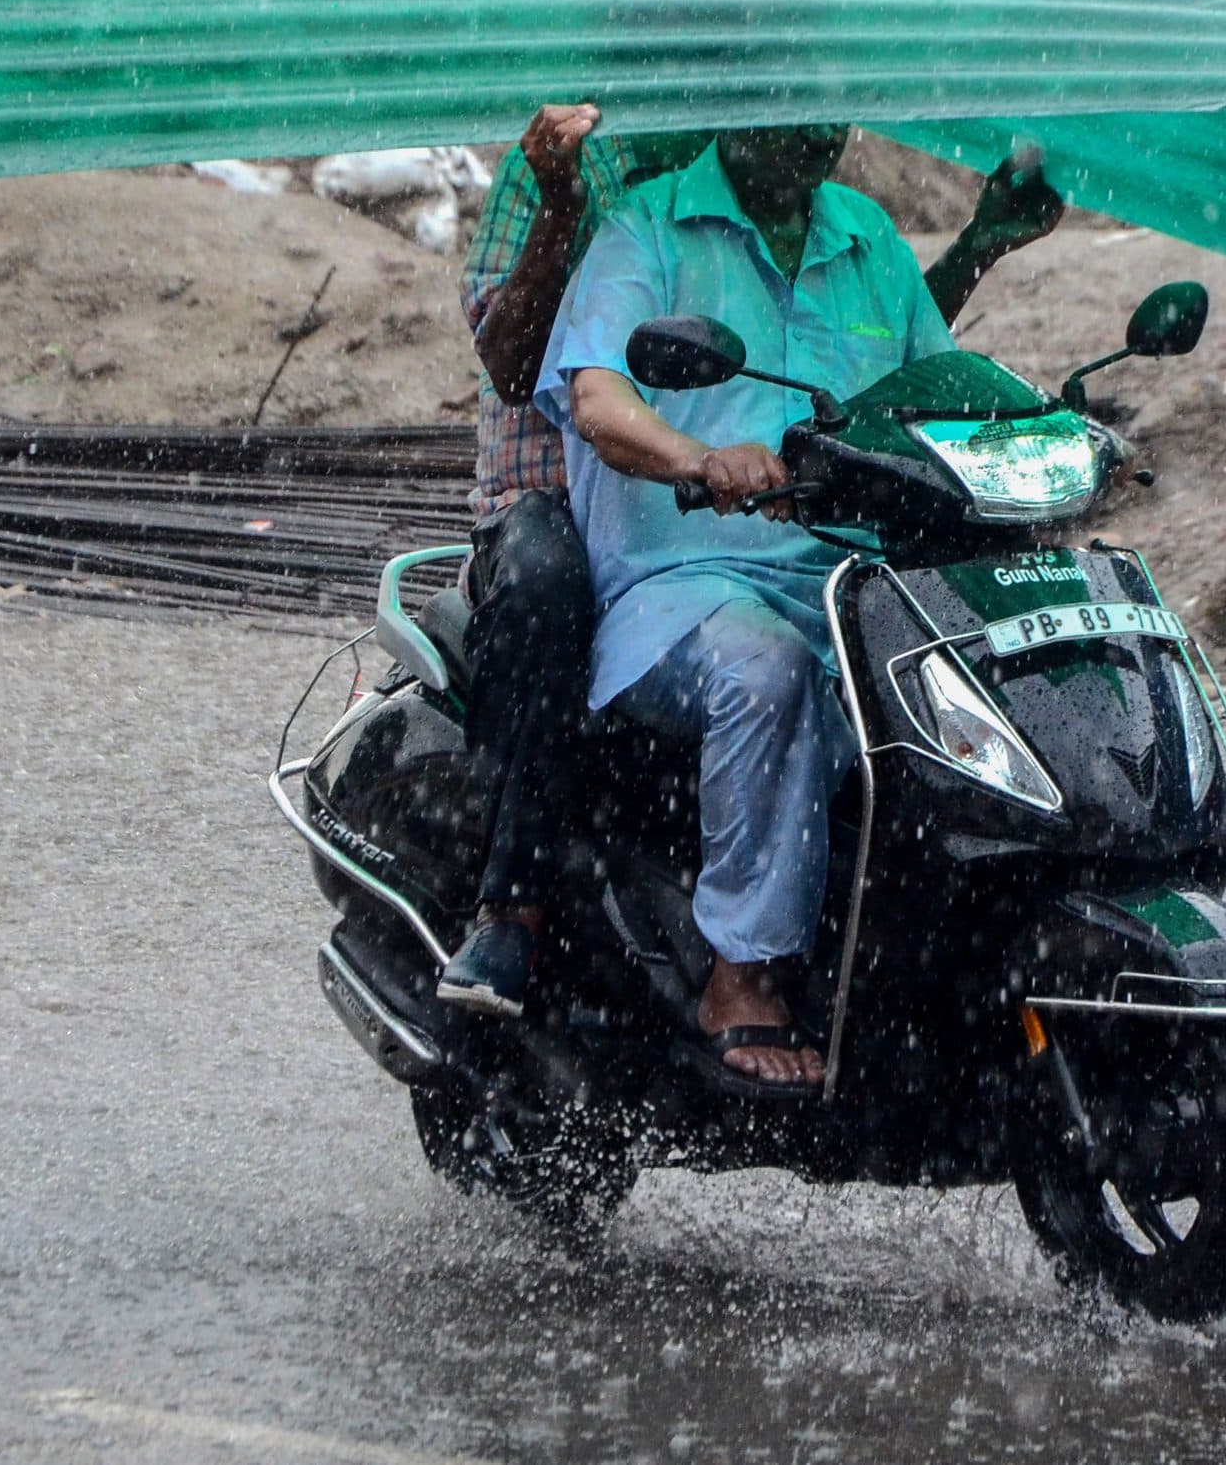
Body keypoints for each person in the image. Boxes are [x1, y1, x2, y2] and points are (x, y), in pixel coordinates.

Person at [536, 125, 1060, 1091]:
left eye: (833, 110)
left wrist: (1035, 436)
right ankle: (744, 977)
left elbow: (933, 392)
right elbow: (600, 402)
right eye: (795, 107)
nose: (820, 132)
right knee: (765, 666)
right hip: (686, 585)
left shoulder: (866, 237)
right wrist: (699, 458)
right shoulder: (642, 230)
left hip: (852, 589)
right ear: (740, 110)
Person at [435, 105, 710, 1016]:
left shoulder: (753, 166)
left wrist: (979, 243)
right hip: (556, 499)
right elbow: (510, 362)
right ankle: (509, 906)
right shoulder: (570, 154)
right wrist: (561, 203)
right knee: (554, 588)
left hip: (693, 501)